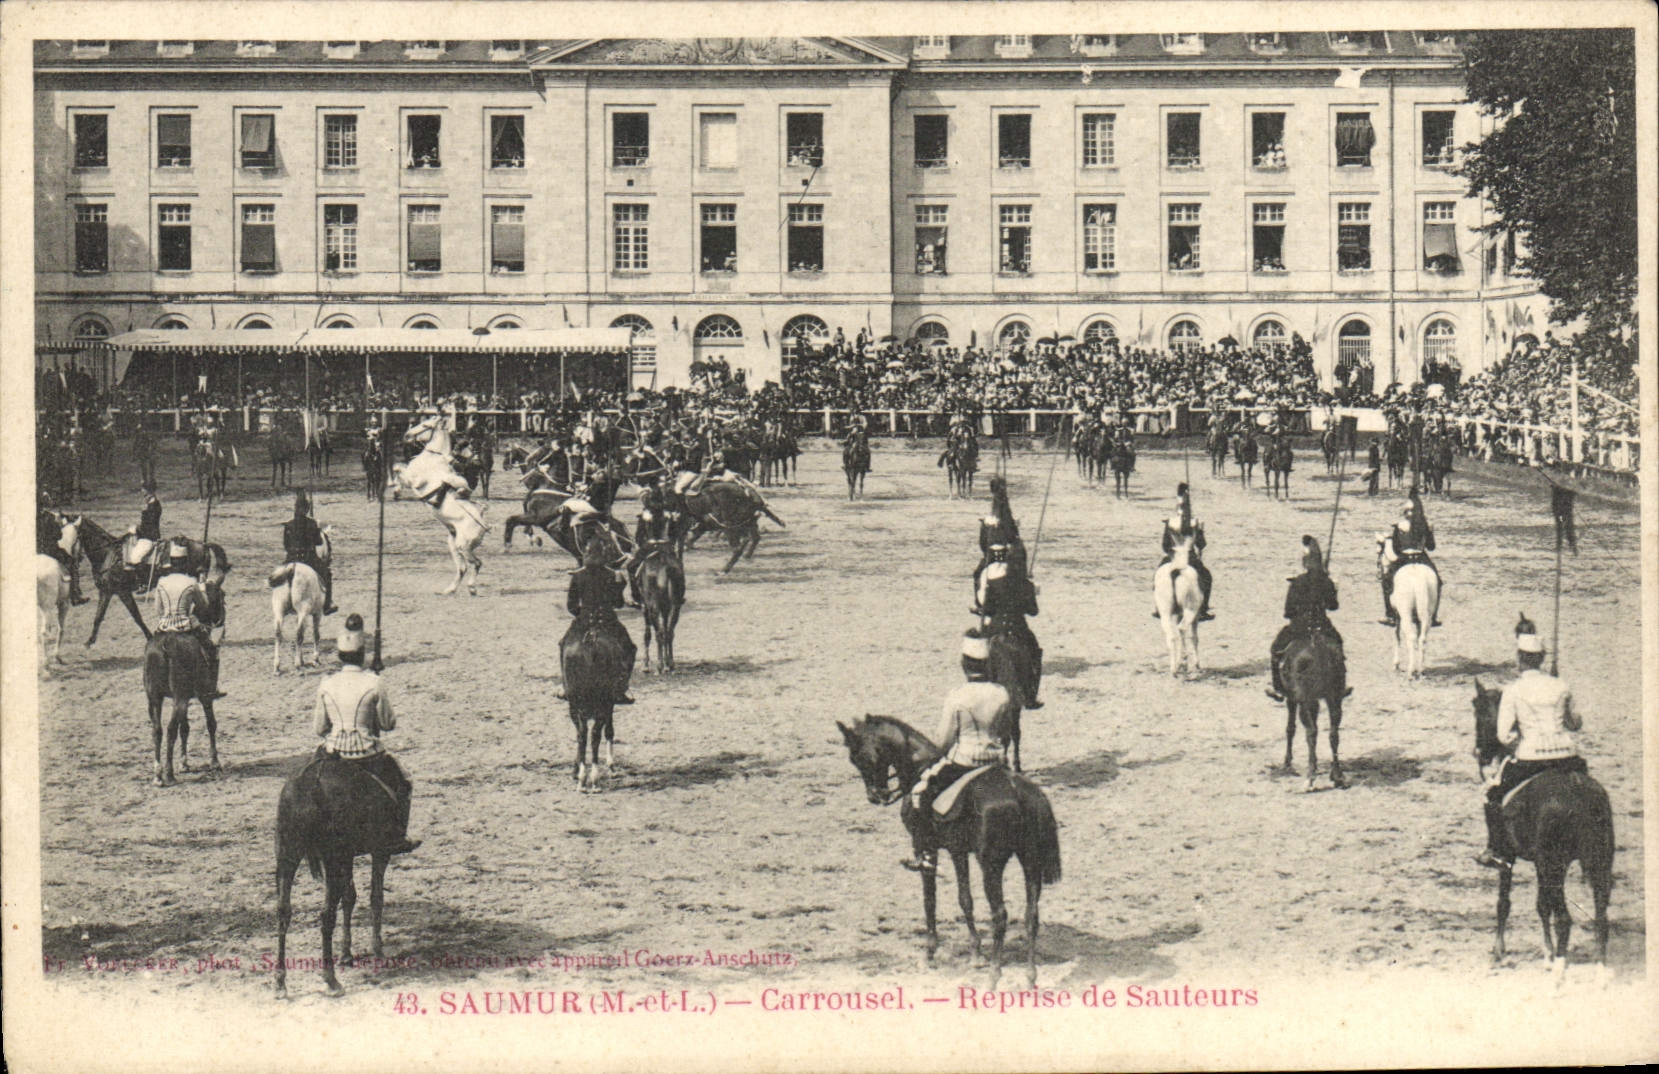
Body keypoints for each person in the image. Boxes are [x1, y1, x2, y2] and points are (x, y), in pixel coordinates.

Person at [901, 631, 1017, 873]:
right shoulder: (1002, 693)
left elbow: (943, 742)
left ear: (964, 664)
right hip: (996, 762)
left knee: (920, 793)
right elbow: (1006, 732)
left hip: (965, 762)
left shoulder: (957, 696)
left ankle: (927, 855)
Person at [1475, 618, 1586, 870]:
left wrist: (1520, 744)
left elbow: (1504, 735)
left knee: (1492, 793)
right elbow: (1575, 724)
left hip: (1531, 756)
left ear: (1519, 659)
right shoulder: (1561, 685)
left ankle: (1498, 851)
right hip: (1567, 755)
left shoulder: (1513, 690)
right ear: (1542, 659)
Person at [311, 614, 420, 856]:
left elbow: (319, 728)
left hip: (334, 753)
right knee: (404, 782)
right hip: (366, 754)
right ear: (362, 655)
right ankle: (397, 836)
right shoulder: (373, 682)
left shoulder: (326, 683)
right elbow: (388, 723)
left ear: (340, 656)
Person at [1265, 536, 1351, 703]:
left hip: (1299, 627)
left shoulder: (1297, 582)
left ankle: (1278, 688)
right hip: (1322, 625)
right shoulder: (1326, 581)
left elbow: (1288, 612)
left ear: (1304, 563)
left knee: (1276, 649)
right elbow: (1333, 606)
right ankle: (1340, 687)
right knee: (1338, 647)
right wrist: (1334, 589)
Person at [557, 537, 637, 705]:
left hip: (583, 621)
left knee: (563, 644)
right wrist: (620, 587)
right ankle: (622, 688)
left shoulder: (577, 576)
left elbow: (571, 606)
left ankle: (565, 686)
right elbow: (618, 603)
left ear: (586, 554)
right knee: (630, 648)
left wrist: (583, 613)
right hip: (608, 621)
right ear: (604, 554)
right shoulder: (613, 575)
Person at [150, 540, 224, 699]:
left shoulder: (161, 582)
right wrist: (201, 589)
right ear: (185, 563)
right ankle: (211, 688)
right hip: (185, 625)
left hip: (164, 626)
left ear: (171, 563)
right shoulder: (191, 582)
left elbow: (158, 610)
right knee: (212, 649)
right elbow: (203, 606)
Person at [976, 542, 1044, 708]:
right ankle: (1030, 696)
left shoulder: (994, 582)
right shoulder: (1026, 585)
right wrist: (1030, 591)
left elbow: (987, 609)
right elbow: (1033, 611)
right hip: (1018, 629)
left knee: (980, 652)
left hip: (996, 627)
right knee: (1034, 653)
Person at [1379, 489, 1442, 627]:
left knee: (1387, 580)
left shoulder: (1399, 526)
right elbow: (1431, 547)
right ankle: (1433, 615)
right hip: (1421, 557)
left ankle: (1390, 615)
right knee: (1438, 581)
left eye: (1409, 511)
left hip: (1404, 558)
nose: (1408, 513)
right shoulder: (1424, 525)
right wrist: (1430, 532)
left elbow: (1396, 549)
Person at [1153, 483, 1214, 621]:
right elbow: (1201, 544)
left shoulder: (1170, 522)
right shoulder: (1195, 522)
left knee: (1157, 576)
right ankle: (1203, 609)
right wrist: (1200, 532)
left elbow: (1165, 545)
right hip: (1189, 557)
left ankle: (1158, 607)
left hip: (1172, 557)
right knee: (1207, 577)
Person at [282, 490, 337, 616]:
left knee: (278, 576)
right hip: (308, 559)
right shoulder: (312, 524)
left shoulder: (289, 525)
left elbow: (286, 545)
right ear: (306, 509)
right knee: (327, 574)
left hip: (291, 559)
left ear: (295, 508)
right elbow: (318, 542)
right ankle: (327, 604)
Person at [38, 492, 89, 606]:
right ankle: (75, 595)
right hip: (50, 550)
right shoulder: (50, 517)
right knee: (72, 562)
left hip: (35, 550)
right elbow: (59, 536)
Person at [125, 477, 163, 569]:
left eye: (143, 489)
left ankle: (142, 577)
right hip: (144, 535)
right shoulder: (149, 504)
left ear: (148, 490)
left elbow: (150, 525)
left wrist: (136, 529)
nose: (142, 491)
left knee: (134, 558)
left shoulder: (154, 506)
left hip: (149, 537)